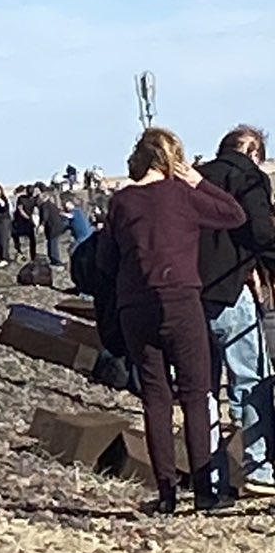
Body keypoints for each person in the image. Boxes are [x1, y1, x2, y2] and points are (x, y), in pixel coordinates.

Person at [94, 126, 245, 513]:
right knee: (195, 394)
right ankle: (205, 494)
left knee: (156, 398)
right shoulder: (182, 194)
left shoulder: (121, 202)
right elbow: (234, 215)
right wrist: (198, 183)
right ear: (173, 159)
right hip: (181, 299)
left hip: (136, 306)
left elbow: (105, 262)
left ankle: (166, 495)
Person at [198, 124, 275, 499]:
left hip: (190, 293)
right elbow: (260, 233)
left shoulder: (193, 178)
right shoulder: (248, 177)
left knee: (203, 390)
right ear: (253, 152)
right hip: (232, 289)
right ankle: (258, 466)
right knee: (252, 379)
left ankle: (211, 481)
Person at [39, 189, 69, 268]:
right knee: (52, 242)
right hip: (57, 226)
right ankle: (53, 259)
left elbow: (45, 215)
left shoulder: (45, 205)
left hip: (53, 227)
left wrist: (42, 224)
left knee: (52, 243)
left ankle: (55, 260)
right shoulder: (52, 204)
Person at [12, 186, 39, 264]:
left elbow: (20, 210)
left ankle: (27, 255)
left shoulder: (23, 198)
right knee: (30, 240)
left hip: (24, 221)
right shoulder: (30, 199)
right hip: (23, 221)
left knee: (29, 239)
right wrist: (29, 217)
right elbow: (20, 210)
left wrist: (28, 217)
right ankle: (30, 256)